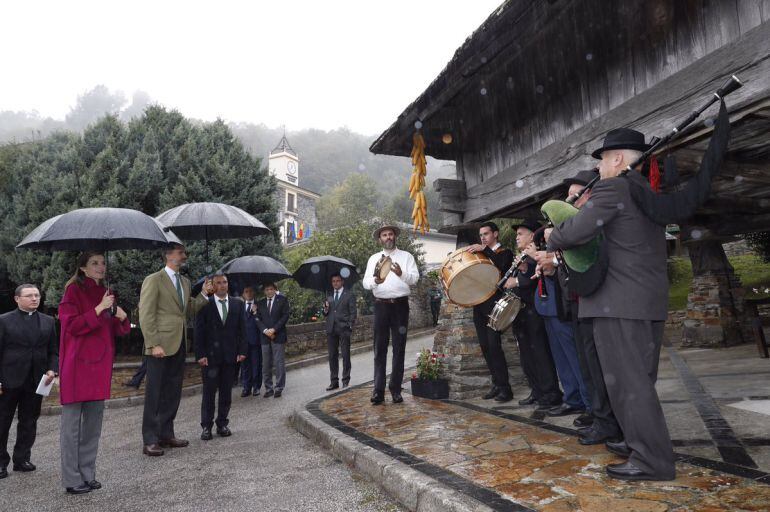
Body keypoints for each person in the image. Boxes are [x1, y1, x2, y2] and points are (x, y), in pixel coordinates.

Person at [548, 128, 675, 481]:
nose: (600, 168)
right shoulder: (644, 190)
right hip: (645, 301)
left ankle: (652, 460)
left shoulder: (615, 186)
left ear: (617, 158)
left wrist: (553, 236)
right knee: (638, 382)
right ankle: (639, 443)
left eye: (602, 159)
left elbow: (576, 231)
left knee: (629, 384)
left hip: (619, 303)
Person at [535, 169, 622, 442]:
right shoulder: (582, 224)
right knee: (588, 365)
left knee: (600, 366)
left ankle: (609, 422)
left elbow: (593, 256)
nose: (570, 202)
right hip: (577, 302)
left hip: (598, 301)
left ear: (590, 195)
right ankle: (599, 416)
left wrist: (556, 259)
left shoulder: (599, 222)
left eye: (575, 196)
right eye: (569, 197)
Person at [57, 252, 131, 494]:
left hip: (100, 367)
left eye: (102, 263)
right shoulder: (73, 292)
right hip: (77, 366)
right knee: (71, 429)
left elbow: (118, 331)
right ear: (83, 268)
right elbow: (71, 326)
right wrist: (99, 308)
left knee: (93, 426)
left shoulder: (108, 293)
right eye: (94, 263)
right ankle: (71, 478)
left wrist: (122, 316)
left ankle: (88, 473)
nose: (100, 267)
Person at [138, 243, 211, 457]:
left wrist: (205, 295)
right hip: (159, 346)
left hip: (179, 344)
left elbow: (187, 310)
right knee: (155, 394)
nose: (184, 256)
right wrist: (153, 344)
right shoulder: (154, 280)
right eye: (181, 253)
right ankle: (150, 439)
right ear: (169, 256)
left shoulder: (185, 282)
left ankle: (166, 434)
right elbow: (146, 314)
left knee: (172, 392)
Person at [525, 240, 591, 419]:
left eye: (521, 234)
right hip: (547, 310)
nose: (517, 237)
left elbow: (565, 272)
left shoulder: (562, 247)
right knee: (561, 360)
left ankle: (589, 403)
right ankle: (573, 399)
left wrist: (543, 260)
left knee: (575, 359)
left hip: (562, 309)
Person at [0, 284, 58, 480]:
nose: (34, 299)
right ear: (17, 299)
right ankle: (0, 463)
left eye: (37, 295)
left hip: (36, 381)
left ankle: (22, 459)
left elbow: (53, 351)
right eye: (29, 296)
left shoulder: (49, 321)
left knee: (29, 422)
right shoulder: (4, 321)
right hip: (8, 380)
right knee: (2, 423)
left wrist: (52, 369)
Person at [506, 220, 563, 410]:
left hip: (534, 311)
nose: (517, 237)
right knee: (526, 355)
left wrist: (519, 279)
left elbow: (532, 279)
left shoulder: (535, 254)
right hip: (522, 312)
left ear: (532, 236)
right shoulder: (523, 256)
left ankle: (550, 392)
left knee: (540, 353)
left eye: (521, 233)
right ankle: (537, 390)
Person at [363, 224, 419, 405]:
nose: (388, 237)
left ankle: (395, 389)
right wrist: (375, 280)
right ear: (380, 239)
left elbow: (415, 278)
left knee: (399, 348)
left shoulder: (406, 257)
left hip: (400, 306)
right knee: (379, 349)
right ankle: (378, 391)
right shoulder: (373, 259)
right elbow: (365, 282)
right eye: (384, 235)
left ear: (395, 237)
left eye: (390, 234)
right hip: (381, 307)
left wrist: (401, 274)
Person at [464, 222, 514, 402]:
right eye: (481, 235)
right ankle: (497, 384)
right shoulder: (481, 255)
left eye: (486, 234)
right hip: (480, 305)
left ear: (496, 234)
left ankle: (505, 389)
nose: (483, 237)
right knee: (485, 347)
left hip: (496, 304)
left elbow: (501, 267)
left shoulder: (505, 253)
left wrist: (484, 250)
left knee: (494, 347)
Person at [194, 274, 247, 440]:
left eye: (225, 282)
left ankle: (222, 423)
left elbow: (242, 330)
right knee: (209, 393)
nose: (223, 285)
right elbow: (198, 332)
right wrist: (200, 354)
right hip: (210, 358)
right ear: (213, 285)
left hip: (231, 356)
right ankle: (206, 427)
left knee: (226, 392)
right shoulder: (204, 305)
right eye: (218, 283)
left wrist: (242, 351)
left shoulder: (238, 304)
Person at [255, 283, 290, 398]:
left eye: (271, 289)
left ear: (275, 290)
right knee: (266, 364)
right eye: (267, 289)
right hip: (264, 337)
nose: (269, 291)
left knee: (279, 363)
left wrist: (274, 329)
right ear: (264, 291)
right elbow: (257, 319)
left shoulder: (283, 300)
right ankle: (268, 388)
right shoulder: (260, 303)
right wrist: (265, 330)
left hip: (278, 335)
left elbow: (285, 316)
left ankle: (279, 388)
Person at [322, 273, 357, 391]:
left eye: (337, 281)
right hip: (331, 328)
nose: (335, 283)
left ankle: (346, 380)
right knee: (332, 356)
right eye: (333, 281)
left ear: (342, 282)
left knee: (346, 355)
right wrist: (325, 309)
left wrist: (349, 326)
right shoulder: (329, 295)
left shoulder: (349, 295)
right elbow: (326, 313)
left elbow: (353, 313)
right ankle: (334, 381)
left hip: (344, 329)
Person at [240, 286, 262, 397]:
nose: (248, 293)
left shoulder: (259, 305)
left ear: (254, 292)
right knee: (245, 366)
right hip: (243, 342)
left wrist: (256, 312)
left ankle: (256, 387)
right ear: (243, 294)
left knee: (256, 364)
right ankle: (246, 387)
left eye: (250, 291)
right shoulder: (239, 306)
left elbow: (262, 322)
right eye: (246, 291)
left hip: (256, 340)